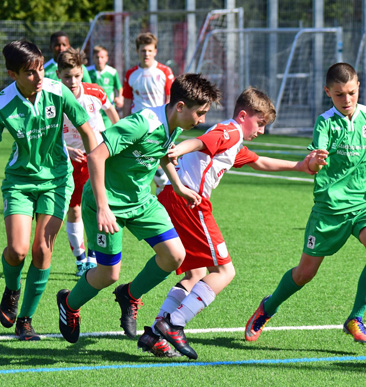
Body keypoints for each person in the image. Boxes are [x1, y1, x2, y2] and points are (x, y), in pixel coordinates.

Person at [244, 63, 366, 346]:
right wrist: (314, 161)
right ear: (328, 93)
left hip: (364, 206)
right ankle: (267, 308)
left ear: (359, 87)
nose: (346, 100)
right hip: (329, 209)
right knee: (304, 273)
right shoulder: (325, 122)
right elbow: (313, 157)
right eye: (339, 95)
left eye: (352, 93)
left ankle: (355, 318)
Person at [136, 88, 328, 359]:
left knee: (196, 273)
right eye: (260, 123)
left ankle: (155, 335)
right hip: (190, 201)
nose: (261, 131)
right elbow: (203, 141)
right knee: (225, 272)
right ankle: (174, 324)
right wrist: (178, 148)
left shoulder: (233, 141)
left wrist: (300, 166)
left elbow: (259, 161)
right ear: (243, 115)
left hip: (172, 196)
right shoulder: (232, 131)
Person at [56, 73, 220, 346]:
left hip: (141, 201)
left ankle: (130, 295)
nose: (201, 120)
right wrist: (103, 207)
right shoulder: (141, 123)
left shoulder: (174, 124)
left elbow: (163, 152)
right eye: (199, 113)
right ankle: (69, 304)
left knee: (175, 255)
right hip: (106, 202)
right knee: (109, 274)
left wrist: (177, 185)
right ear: (180, 107)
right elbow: (96, 155)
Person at [0, 40, 97, 340]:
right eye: (30, 72)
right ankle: (12, 289)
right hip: (19, 181)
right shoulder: (3, 103)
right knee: (17, 251)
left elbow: (88, 130)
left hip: (57, 180)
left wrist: (96, 176)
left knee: (42, 250)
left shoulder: (57, 90)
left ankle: (25, 320)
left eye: (41, 68)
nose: (39, 77)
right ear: (12, 73)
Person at [57, 48, 120, 277]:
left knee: (96, 208)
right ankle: (80, 259)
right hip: (70, 161)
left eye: (76, 75)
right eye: (67, 77)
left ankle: (94, 256)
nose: (72, 81)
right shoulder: (54, 97)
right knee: (74, 211)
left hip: (97, 157)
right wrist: (67, 150)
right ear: (58, 74)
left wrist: (117, 141)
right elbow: (50, 134)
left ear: (82, 72)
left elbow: (113, 114)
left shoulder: (96, 92)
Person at [122, 32, 175, 194]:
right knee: (141, 169)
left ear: (155, 51)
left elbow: (170, 101)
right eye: (143, 50)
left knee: (159, 173)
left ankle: (161, 205)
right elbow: (127, 103)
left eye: (150, 50)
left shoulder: (165, 72)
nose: (146, 54)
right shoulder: (131, 74)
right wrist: (124, 126)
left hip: (159, 126)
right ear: (138, 51)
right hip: (138, 126)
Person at [86, 45, 124, 128]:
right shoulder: (87, 71)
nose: (100, 60)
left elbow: (119, 88)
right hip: (93, 108)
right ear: (93, 58)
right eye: (97, 57)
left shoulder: (112, 72)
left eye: (102, 57)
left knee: (106, 133)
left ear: (106, 58)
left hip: (107, 108)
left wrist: (120, 98)